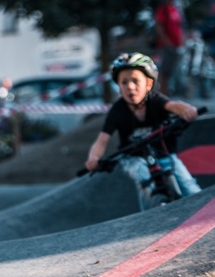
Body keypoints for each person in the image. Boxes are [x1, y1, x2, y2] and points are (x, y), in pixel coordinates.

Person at [84, 53, 202, 210]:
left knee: (188, 185)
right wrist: (94, 158)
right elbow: (102, 139)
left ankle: (204, 212)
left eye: (135, 81)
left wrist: (187, 110)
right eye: (124, 83)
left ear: (148, 84)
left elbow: (173, 105)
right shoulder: (118, 110)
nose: (130, 87)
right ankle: (146, 218)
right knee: (143, 176)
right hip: (134, 158)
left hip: (163, 153)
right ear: (119, 87)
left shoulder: (155, 100)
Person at [153, 0, 185, 96]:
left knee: (171, 71)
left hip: (176, 46)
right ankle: (161, 95)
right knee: (164, 72)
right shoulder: (163, 9)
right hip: (166, 46)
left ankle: (166, 94)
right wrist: (167, 43)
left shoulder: (175, 9)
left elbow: (179, 27)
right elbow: (159, 27)